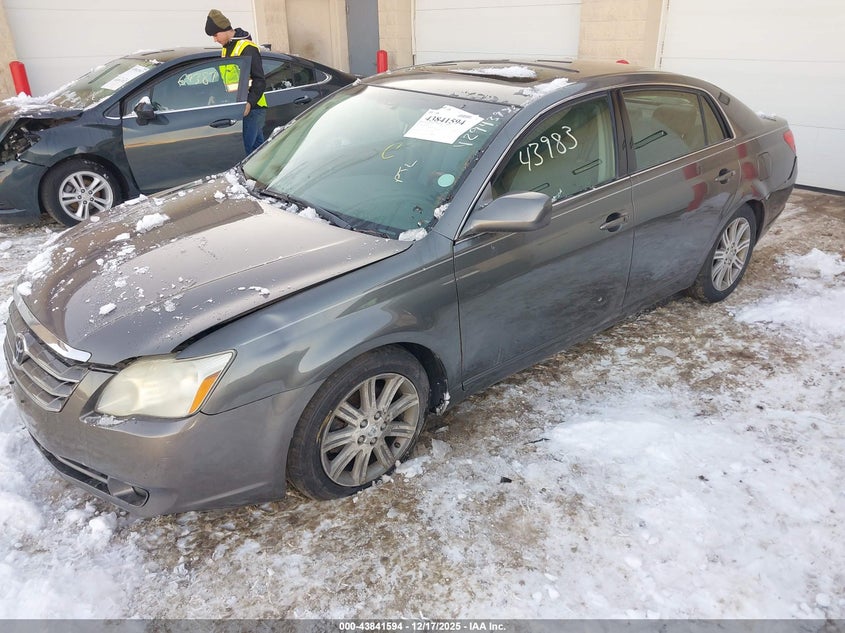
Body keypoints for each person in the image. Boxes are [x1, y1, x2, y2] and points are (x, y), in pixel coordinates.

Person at [204, 9, 267, 154]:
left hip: (253, 108)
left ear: (224, 30)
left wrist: (249, 103)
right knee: (258, 152)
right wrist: (215, 94)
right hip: (239, 107)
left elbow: (259, 80)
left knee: (247, 152)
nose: (215, 39)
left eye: (215, 35)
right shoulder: (226, 49)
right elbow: (227, 80)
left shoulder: (247, 48)